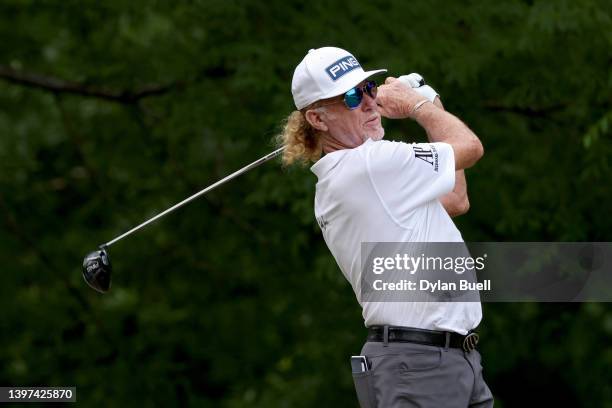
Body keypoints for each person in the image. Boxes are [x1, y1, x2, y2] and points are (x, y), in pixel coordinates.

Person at [278, 46, 494, 407]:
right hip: (421, 365)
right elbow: (469, 147)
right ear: (317, 119)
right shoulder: (369, 165)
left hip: (447, 360)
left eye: (369, 88)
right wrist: (417, 105)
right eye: (350, 97)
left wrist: (429, 102)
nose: (368, 103)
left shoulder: (357, 174)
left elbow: (456, 198)